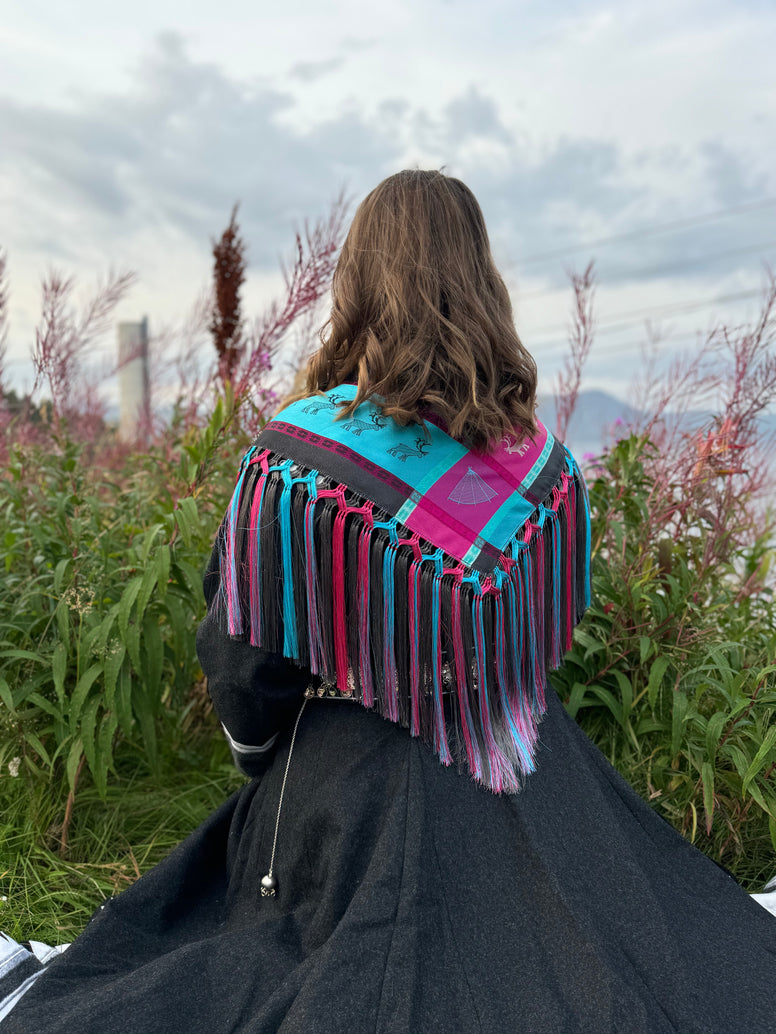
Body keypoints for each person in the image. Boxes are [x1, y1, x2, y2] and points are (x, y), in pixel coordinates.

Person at [2, 170, 774, 1033]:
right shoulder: (546, 469)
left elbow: (242, 665)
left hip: (346, 789)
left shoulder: (298, 461)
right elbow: (542, 641)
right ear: (483, 282)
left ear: (357, 285)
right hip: (528, 774)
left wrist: (265, 761)